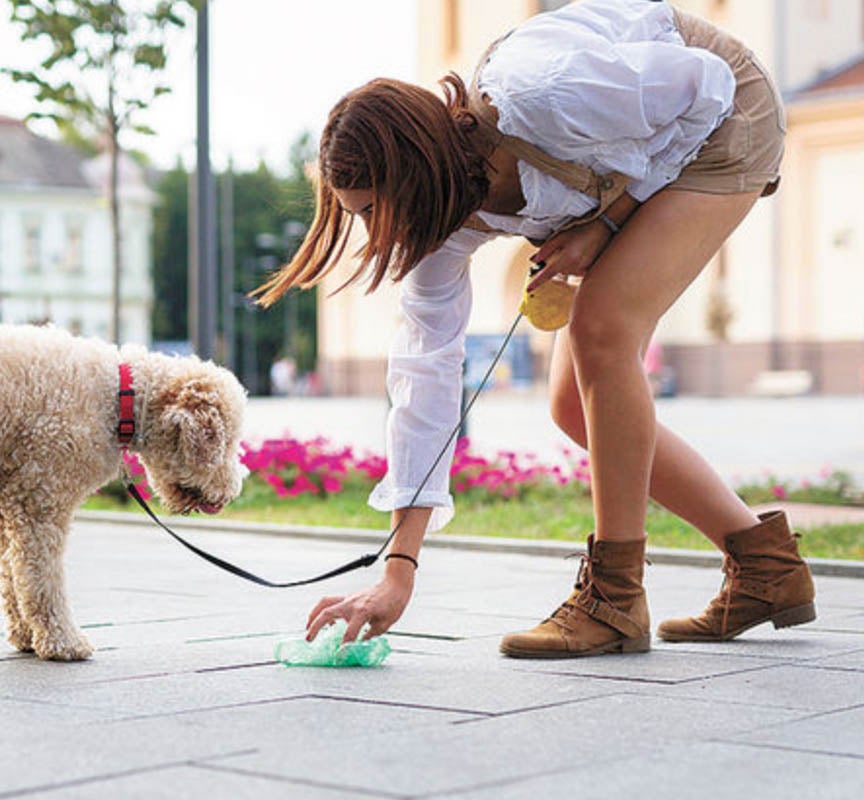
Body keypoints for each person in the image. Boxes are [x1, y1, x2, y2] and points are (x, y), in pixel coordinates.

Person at [255, 0, 815, 658]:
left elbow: (704, 88)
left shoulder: (544, 94)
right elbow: (424, 381)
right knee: (572, 403)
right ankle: (765, 568)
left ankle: (614, 598)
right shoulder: (439, 223)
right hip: (641, 149)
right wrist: (397, 574)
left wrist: (606, 223)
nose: (378, 232)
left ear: (415, 171)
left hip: (721, 112)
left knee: (601, 329)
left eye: (375, 209)